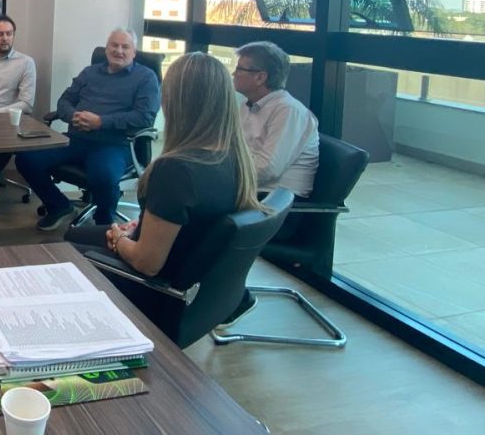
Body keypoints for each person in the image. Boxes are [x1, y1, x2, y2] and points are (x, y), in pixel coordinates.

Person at [65, 51, 264, 286]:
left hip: (155, 288)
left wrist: (119, 238)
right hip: (194, 274)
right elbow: (193, 221)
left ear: (176, 103)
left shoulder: (175, 170)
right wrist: (142, 227)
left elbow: (146, 263)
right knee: (72, 234)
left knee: (54, 252)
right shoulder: (236, 157)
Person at [16, 28, 160, 230]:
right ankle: (59, 206)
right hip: (76, 139)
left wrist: (101, 122)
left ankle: (104, 227)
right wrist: (72, 116)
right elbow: (64, 101)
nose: (119, 51)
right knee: (26, 158)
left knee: (103, 175)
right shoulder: (90, 72)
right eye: (114, 45)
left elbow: (144, 116)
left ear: (134, 52)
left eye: (125, 47)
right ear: (106, 49)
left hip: (115, 145)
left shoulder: (146, 78)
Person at [233, 41, 319, 200]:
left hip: (276, 200)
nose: (233, 74)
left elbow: (268, 168)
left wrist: (225, 178)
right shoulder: (247, 104)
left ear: (260, 77)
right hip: (250, 189)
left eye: (239, 69)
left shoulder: (288, 110)